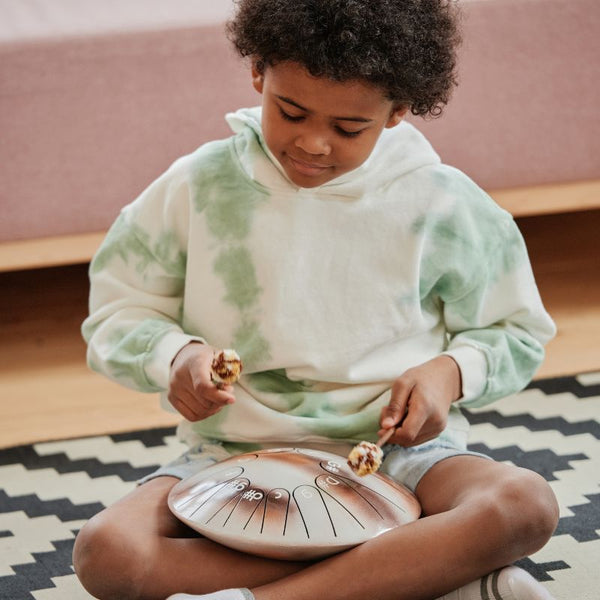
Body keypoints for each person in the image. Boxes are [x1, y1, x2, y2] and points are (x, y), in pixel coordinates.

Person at [73, 1, 560, 599]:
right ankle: (430, 572)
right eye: (290, 110)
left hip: (396, 460)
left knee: (526, 505)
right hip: (231, 457)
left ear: (399, 110)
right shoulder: (196, 186)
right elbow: (118, 313)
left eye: (348, 128)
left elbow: (514, 331)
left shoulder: (445, 204)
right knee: (107, 553)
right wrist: (174, 357)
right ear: (258, 71)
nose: (313, 143)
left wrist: (448, 373)